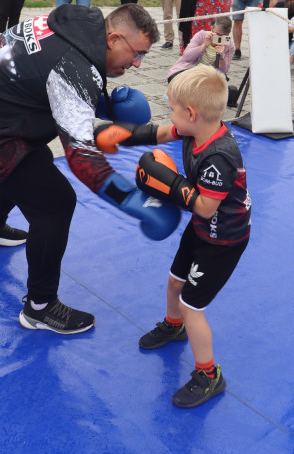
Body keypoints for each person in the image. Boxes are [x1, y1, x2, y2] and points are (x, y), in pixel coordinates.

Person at [0, 3, 181, 334]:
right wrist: (136, 202)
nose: (136, 64)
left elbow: (53, 82)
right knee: (55, 202)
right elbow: (82, 158)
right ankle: (40, 307)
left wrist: (106, 104)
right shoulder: (75, 67)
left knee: (30, 160)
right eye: (136, 53)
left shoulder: (77, 23)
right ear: (113, 38)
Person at [95, 65, 251, 407]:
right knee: (174, 281)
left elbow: (206, 207)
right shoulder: (193, 129)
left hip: (223, 240)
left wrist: (168, 182)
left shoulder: (219, 157)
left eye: (173, 109)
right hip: (201, 230)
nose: (171, 117)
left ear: (191, 113)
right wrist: (121, 135)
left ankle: (210, 375)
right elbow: (159, 133)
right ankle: (172, 325)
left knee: (192, 306)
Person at [167, 15, 234, 82]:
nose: (219, 38)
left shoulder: (229, 46)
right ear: (211, 29)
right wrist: (204, 45)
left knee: (228, 88)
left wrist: (221, 57)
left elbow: (223, 72)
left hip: (210, 76)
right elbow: (186, 57)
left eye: (223, 36)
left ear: (228, 35)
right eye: (217, 34)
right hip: (190, 71)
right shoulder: (201, 35)